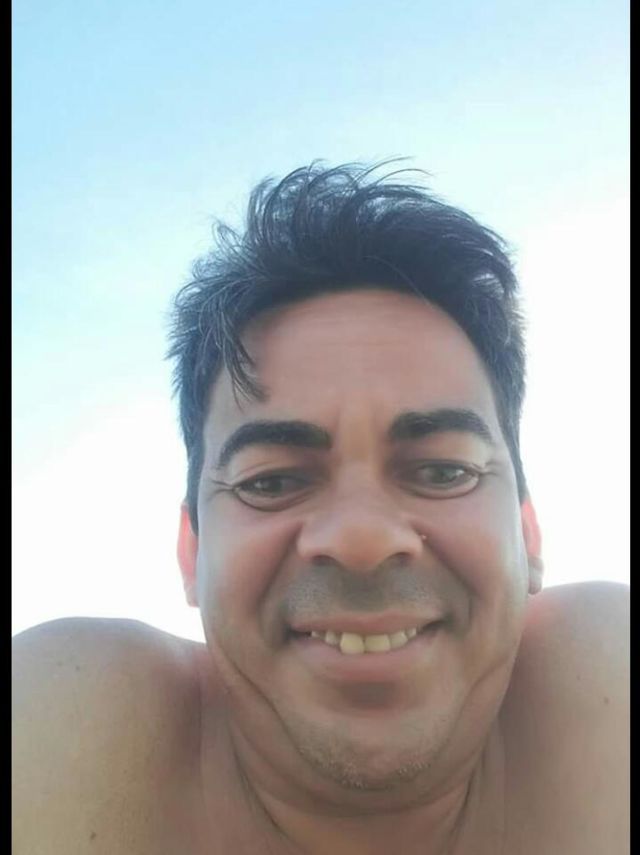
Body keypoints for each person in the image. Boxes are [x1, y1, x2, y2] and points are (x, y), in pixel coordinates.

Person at [12, 162, 629, 855]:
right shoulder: (63, 721)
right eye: (272, 481)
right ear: (192, 552)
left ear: (527, 533)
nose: (362, 538)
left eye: (443, 471)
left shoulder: (611, 684)